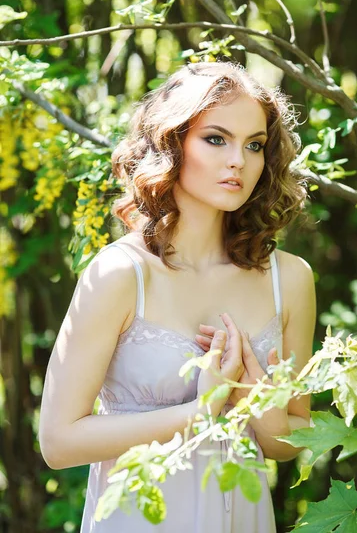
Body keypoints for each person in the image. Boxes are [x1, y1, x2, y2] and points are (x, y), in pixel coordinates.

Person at [39, 60, 316, 532]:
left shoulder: (288, 279)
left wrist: (254, 399)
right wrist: (200, 411)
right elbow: (57, 443)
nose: (238, 161)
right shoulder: (120, 274)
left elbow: (295, 441)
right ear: (172, 142)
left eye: (254, 145)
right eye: (216, 139)